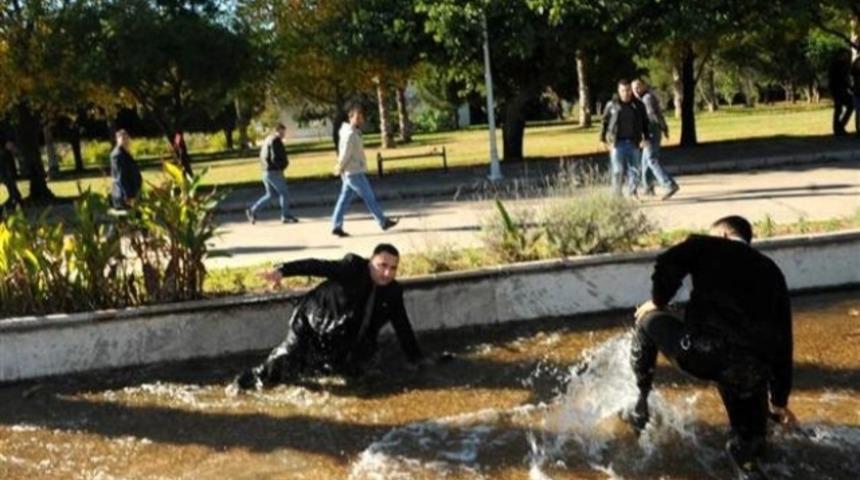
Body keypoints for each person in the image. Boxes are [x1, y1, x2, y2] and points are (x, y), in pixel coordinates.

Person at [627, 215, 795, 480]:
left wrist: (658, 301)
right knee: (750, 440)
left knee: (645, 319)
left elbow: (667, 263)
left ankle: (640, 403)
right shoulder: (772, 271)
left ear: (724, 235)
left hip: (701, 352)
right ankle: (745, 460)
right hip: (749, 367)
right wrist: (779, 399)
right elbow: (783, 339)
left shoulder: (706, 244)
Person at [231, 244, 430, 391]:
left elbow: (402, 326)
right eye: (382, 265)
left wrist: (418, 360)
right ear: (371, 262)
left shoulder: (393, 292)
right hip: (311, 319)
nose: (387, 273)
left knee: (355, 373)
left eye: (393, 268)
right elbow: (317, 266)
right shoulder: (352, 267)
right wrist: (282, 270)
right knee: (286, 356)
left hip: (344, 334)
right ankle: (246, 382)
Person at [331, 102, 398, 237]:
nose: (360, 119)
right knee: (369, 197)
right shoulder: (350, 134)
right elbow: (345, 154)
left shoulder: (353, 132)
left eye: (361, 117)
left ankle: (336, 225)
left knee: (344, 199)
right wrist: (340, 167)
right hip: (353, 172)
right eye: (357, 117)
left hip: (352, 171)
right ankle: (382, 221)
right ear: (350, 117)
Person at [600, 79, 651, 197]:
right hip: (617, 143)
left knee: (635, 170)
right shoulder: (612, 105)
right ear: (619, 91)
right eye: (623, 90)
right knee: (617, 171)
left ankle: (633, 193)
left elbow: (645, 123)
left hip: (633, 142)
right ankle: (617, 195)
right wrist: (602, 139)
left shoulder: (638, 105)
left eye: (628, 90)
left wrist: (646, 138)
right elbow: (604, 122)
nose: (626, 93)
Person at [632, 79, 679, 200]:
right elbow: (659, 115)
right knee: (645, 162)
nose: (636, 90)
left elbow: (651, 117)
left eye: (638, 87)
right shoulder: (643, 99)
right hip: (652, 131)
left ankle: (669, 184)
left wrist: (645, 135)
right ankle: (648, 188)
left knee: (651, 160)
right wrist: (664, 128)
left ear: (643, 86)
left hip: (650, 133)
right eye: (634, 88)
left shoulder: (646, 99)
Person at [246, 123, 298, 224]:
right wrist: (281, 167)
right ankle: (285, 216)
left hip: (265, 171)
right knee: (284, 193)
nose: (284, 134)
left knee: (270, 195)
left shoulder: (267, 140)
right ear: (278, 131)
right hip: (274, 171)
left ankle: (252, 210)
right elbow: (275, 158)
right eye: (282, 131)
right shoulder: (276, 140)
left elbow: (262, 156)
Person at [110, 129, 142, 209]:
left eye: (127, 138)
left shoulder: (125, 153)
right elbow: (121, 177)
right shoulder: (118, 155)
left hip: (132, 193)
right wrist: (128, 196)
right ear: (117, 140)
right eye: (123, 139)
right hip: (124, 196)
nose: (126, 141)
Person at [828, 50, 854, 136]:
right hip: (837, 89)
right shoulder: (838, 65)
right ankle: (838, 128)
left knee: (845, 107)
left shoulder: (844, 65)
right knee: (839, 108)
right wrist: (850, 88)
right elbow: (842, 79)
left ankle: (839, 127)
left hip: (841, 89)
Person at [1, 140, 24, 210]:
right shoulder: (4, 153)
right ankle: (16, 200)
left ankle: (16, 201)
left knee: (10, 185)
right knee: (10, 185)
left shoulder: (6, 153)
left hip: (7, 171)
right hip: (6, 171)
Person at [851, 55, 860, 138]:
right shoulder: (855, 73)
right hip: (857, 93)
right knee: (857, 113)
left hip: (857, 93)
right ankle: (858, 130)